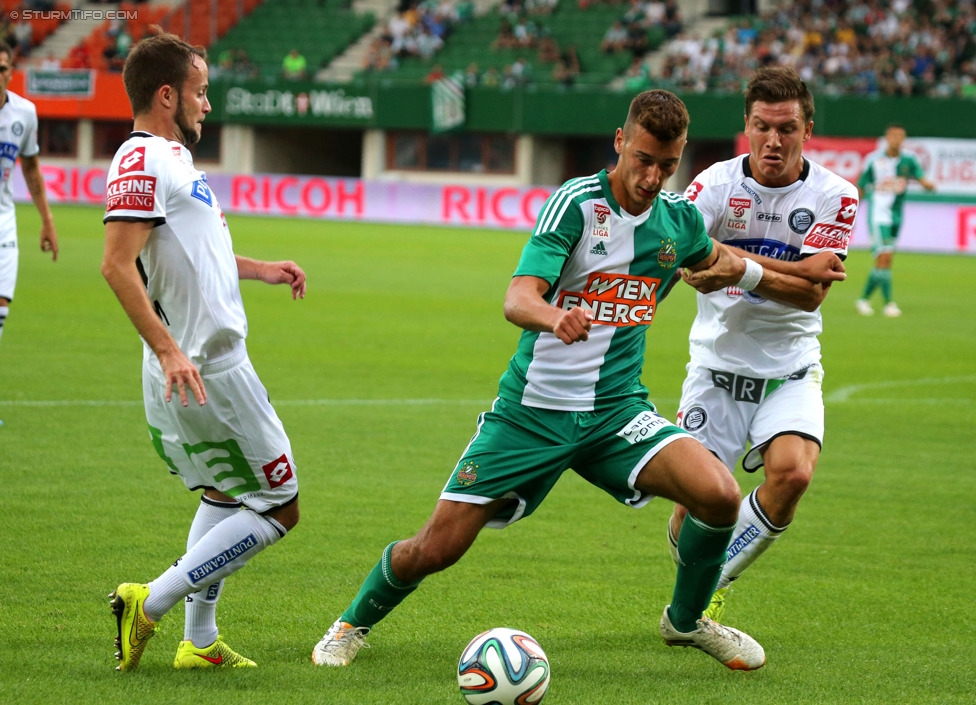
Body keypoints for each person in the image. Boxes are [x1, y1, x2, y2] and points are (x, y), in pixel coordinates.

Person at [311, 89, 842, 673]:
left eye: (667, 165)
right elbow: (517, 298)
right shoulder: (576, 204)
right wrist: (554, 316)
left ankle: (686, 622)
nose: (652, 177)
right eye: (642, 159)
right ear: (620, 143)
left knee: (717, 495)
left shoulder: (677, 221)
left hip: (617, 413)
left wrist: (799, 271)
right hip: (532, 413)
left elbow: (722, 260)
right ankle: (349, 624)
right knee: (436, 547)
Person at [101, 30, 306, 672]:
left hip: (197, 364)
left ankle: (200, 640)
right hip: (204, 367)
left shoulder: (173, 161)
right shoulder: (143, 160)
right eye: (199, 91)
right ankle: (151, 602)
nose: (206, 104)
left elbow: (193, 255)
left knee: (224, 494)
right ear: (167, 95)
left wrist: (259, 267)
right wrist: (167, 350)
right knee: (280, 505)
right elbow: (117, 264)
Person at [668, 66, 858, 629]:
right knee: (690, 520)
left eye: (787, 128)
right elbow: (688, 259)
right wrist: (783, 269)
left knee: (794, 474)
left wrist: (733, 264)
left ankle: (711, 585)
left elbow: (811, 296)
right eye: (761, 127)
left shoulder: (835, 196)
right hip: (716, 369)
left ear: (808, 128)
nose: (774, 140)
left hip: (791, 370)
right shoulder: (712, 186)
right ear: (746, 126)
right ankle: (696, 584)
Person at [0, 40, 59, 422]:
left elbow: (31, 169)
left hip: (3, 220)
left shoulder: (25, 112)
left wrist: (47, 220)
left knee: (1, 310)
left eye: (3, 68)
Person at [855, 123, 935, 317]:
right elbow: (861, 186)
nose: (897, 140)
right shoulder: (874, 160)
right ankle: (888, 303)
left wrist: (926, 183)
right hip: (879, 215)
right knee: (885, 257)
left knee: (883, 261)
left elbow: (920, 176)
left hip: (897, 216)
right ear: (887, 138)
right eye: (894, 136)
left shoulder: (909, 159)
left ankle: (863, 299)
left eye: (901, 136)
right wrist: (852, 213)